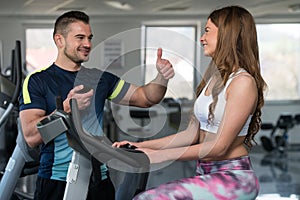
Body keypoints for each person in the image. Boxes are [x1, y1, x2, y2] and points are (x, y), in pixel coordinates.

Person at [113, 5, 267, 200]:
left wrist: (159, 156)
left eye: (208, 31)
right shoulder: (214, 78)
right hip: (206, 173)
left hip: (233, 178)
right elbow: (191, 135)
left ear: (228, 35)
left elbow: (219, 147)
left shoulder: (242, 82)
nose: (202, 38)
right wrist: (142, 146)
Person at [19, 11, 174, 200]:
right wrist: (66, 109)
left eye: (89, 38)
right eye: (80, 37)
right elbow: (30, 136)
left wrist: (162, 77)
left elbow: (145, 98)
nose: (87, 44)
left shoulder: (100, 79)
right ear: (59, 40)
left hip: (99, 180)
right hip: (57, 181)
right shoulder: (38, 81)